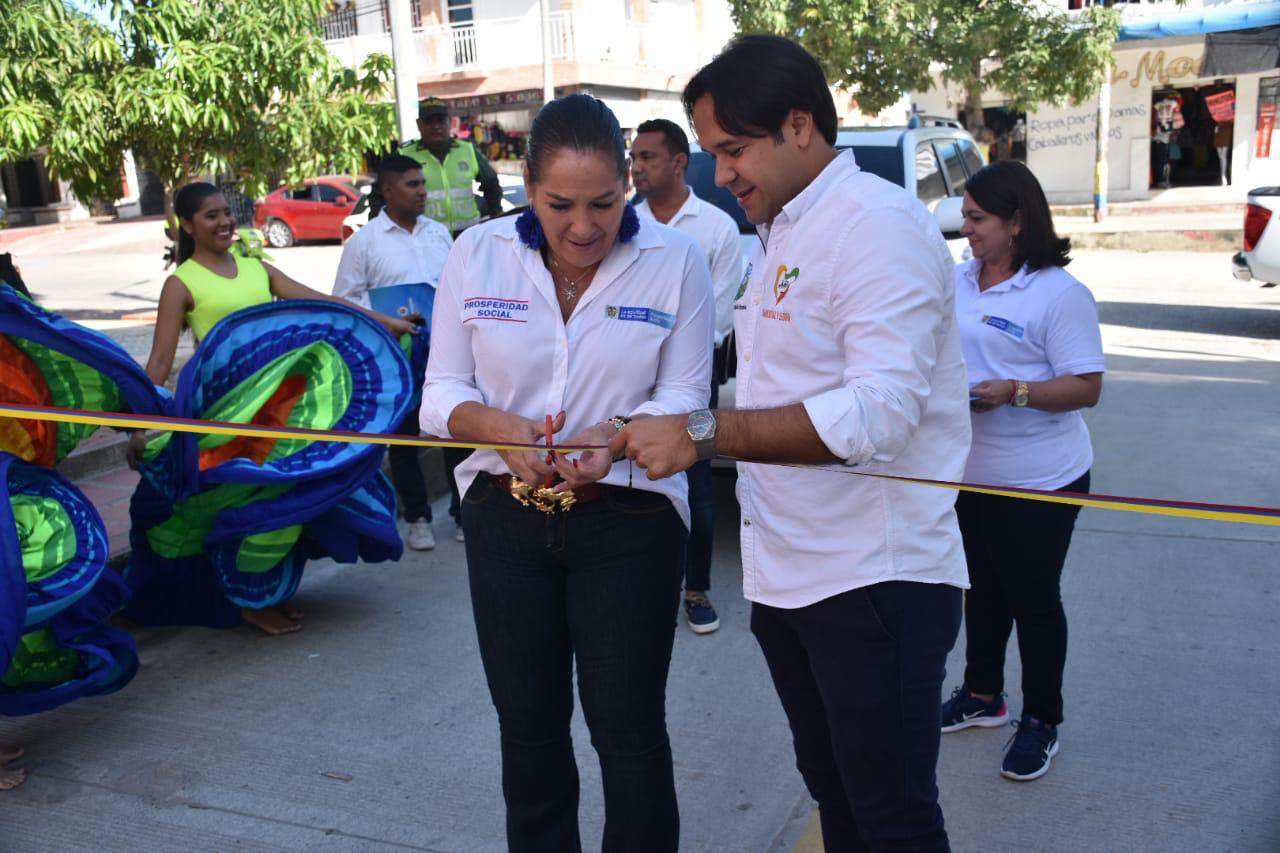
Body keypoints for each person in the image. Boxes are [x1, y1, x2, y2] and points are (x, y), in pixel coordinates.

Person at [608, 36, 971, 851]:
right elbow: (775, 390)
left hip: (873, 581)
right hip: (790, 576)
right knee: (837, 796)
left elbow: (879, 413)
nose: (721, 172)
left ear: (799, 125)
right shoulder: (779, 230)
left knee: (892, 816)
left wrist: (702, 431)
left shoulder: (874, 227)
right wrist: (646, 418)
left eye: (732, 150)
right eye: (710, 152)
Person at [420, 93, 713, 851]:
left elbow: (684, 396)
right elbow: (441, 395)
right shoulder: (477, 253)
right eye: (560, 205)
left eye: (605, 204)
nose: (584, 228)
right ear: (525, 182)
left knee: (628, 728)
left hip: (630, 519)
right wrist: (505, 433)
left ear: (629, 184)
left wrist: (612, 437)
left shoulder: (675, 261)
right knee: (529, 728)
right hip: (503, 517)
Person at [129, 182, 416, 635]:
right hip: (225, 417)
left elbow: (324, 304)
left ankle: (268, 591)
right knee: (244, 504)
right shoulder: (180, 283)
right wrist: (138, 426)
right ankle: (248, 600)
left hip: (279, 413)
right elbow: (161, 362)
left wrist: (386, 323)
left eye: (227, 212)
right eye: (210, 215)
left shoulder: (256, 268)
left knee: (285, 499)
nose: (224, 222)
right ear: (186, 225)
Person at [940, 160, 1104, 782]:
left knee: (1032, 598)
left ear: (1015, 222)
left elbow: (1085, 386)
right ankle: (982, 696)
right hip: (965, 470)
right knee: (978, 589)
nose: (966, 229)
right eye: (965, 216)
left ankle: (1041, 721)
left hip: (1041, 477)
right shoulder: (956, 280)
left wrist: (1016, 391)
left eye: (978, 218)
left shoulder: (1058, 294)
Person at [631, 117, 741, 634]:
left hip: (695, 384)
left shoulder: (716, 228)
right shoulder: (623, 222)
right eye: (632, 158)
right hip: (629, 382)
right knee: (632, 486)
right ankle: (641, 586)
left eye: (647, 157)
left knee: (696, 487)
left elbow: (716, 317)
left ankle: (696, 589)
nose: (636, 168)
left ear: (679, 161)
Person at [333, 154, 460, 551]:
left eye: (423, 183)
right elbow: (344, 300)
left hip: (446, 353)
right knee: (404, 438)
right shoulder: (365, 242)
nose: (423, 191)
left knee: (457, 430)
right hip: (396, 356)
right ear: (388, 190)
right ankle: (418, 517)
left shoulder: (439, 234)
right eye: (413, 185)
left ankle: (462, 513)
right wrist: (388, 322)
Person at [400, 97, 504, 236]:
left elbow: (491, 183)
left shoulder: (468, 150)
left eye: (440, 120)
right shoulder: (405, 155)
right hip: (425, 240)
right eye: (429, 121)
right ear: (419, 124)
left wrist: (495, 216)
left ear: (450, 121)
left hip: (468, 237)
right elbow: (384, 194)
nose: (436, 126)